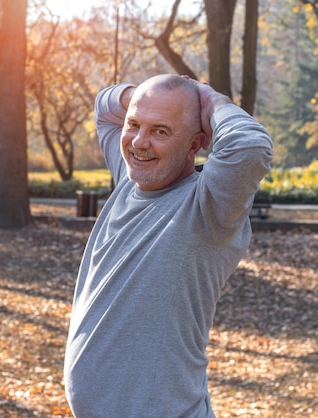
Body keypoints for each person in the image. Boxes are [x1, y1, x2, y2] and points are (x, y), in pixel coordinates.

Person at [63, 74, 273, 417]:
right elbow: (103, 105)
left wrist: (208, 99)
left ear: (194, 145)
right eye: (134, 124)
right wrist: (154, 94)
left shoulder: (208, 207)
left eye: (161, 131)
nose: (139, 142)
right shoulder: (128, 180)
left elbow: (250, 147)